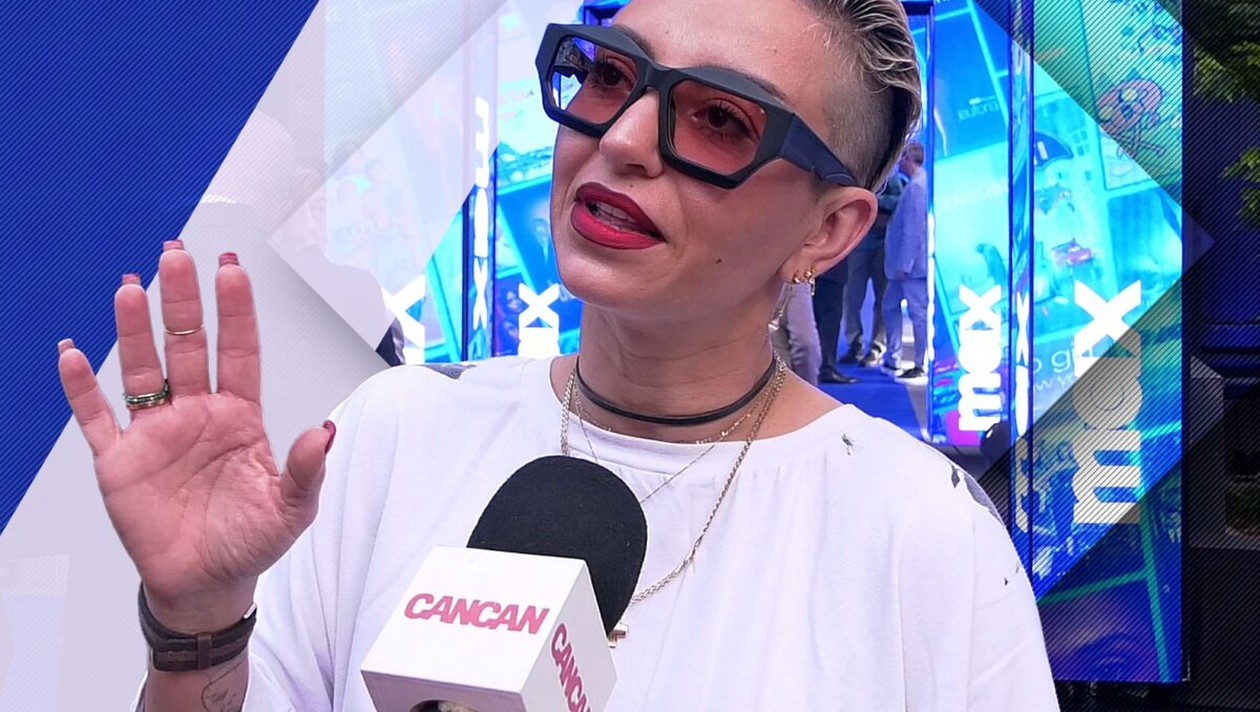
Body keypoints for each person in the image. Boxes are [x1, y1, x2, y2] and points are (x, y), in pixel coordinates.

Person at [57, 1, 1057, 709]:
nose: (622, 138)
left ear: (831, 230)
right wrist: (199, 624)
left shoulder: (924, 537)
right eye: (611, 73)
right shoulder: (389, 435)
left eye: (720, 119)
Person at [881, 140, 929, 383]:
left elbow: (913, 229)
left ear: (909, 159)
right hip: (905, 266)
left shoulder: (917, 188)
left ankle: (921, 362)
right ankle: (893, 356)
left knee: (918, 313)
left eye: (901, 157)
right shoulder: (916, 185)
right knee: (889, 306)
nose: (898, 162)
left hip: (910, 268)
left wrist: (905, 264)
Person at [845, 170, 904, 367]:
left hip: (882, 243)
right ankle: (854, 343)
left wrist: (872, 199)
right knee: (852, 298)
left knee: (882, 298)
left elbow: (898, 201)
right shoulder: (856, 172)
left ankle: (877, 346)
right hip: (857, 243)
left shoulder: (890, 176)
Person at [812, 257, 858, 384]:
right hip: (831, 269)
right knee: (830, 319)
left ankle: (818, 365)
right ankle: (826, 367)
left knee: (816, 318)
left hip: (811, 270)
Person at [769, 281, 822, 386]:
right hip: (757, 282)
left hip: (797, 280)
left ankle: (806, 389)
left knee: (805, 343)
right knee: (776, 349)